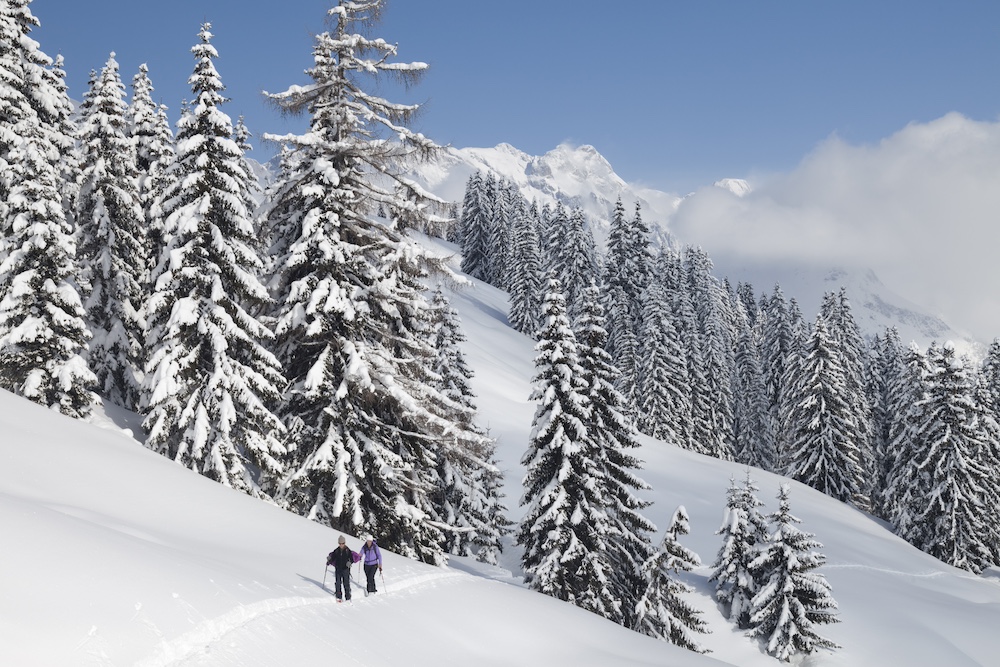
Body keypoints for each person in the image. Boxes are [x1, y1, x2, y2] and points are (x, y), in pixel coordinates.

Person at [327, 535, 357, 602]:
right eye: (340, 543)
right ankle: (338, 596)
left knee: (346, 583)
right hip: (338, 568)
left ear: (344, 543)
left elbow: (352, 559)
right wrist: (329, 561)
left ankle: (348, 597)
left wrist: (349, 563)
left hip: (345, 569)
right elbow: (333, 558)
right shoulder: (336, 550)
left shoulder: (347, 550)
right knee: (338, 582)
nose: (341, 545)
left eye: (342, 543)